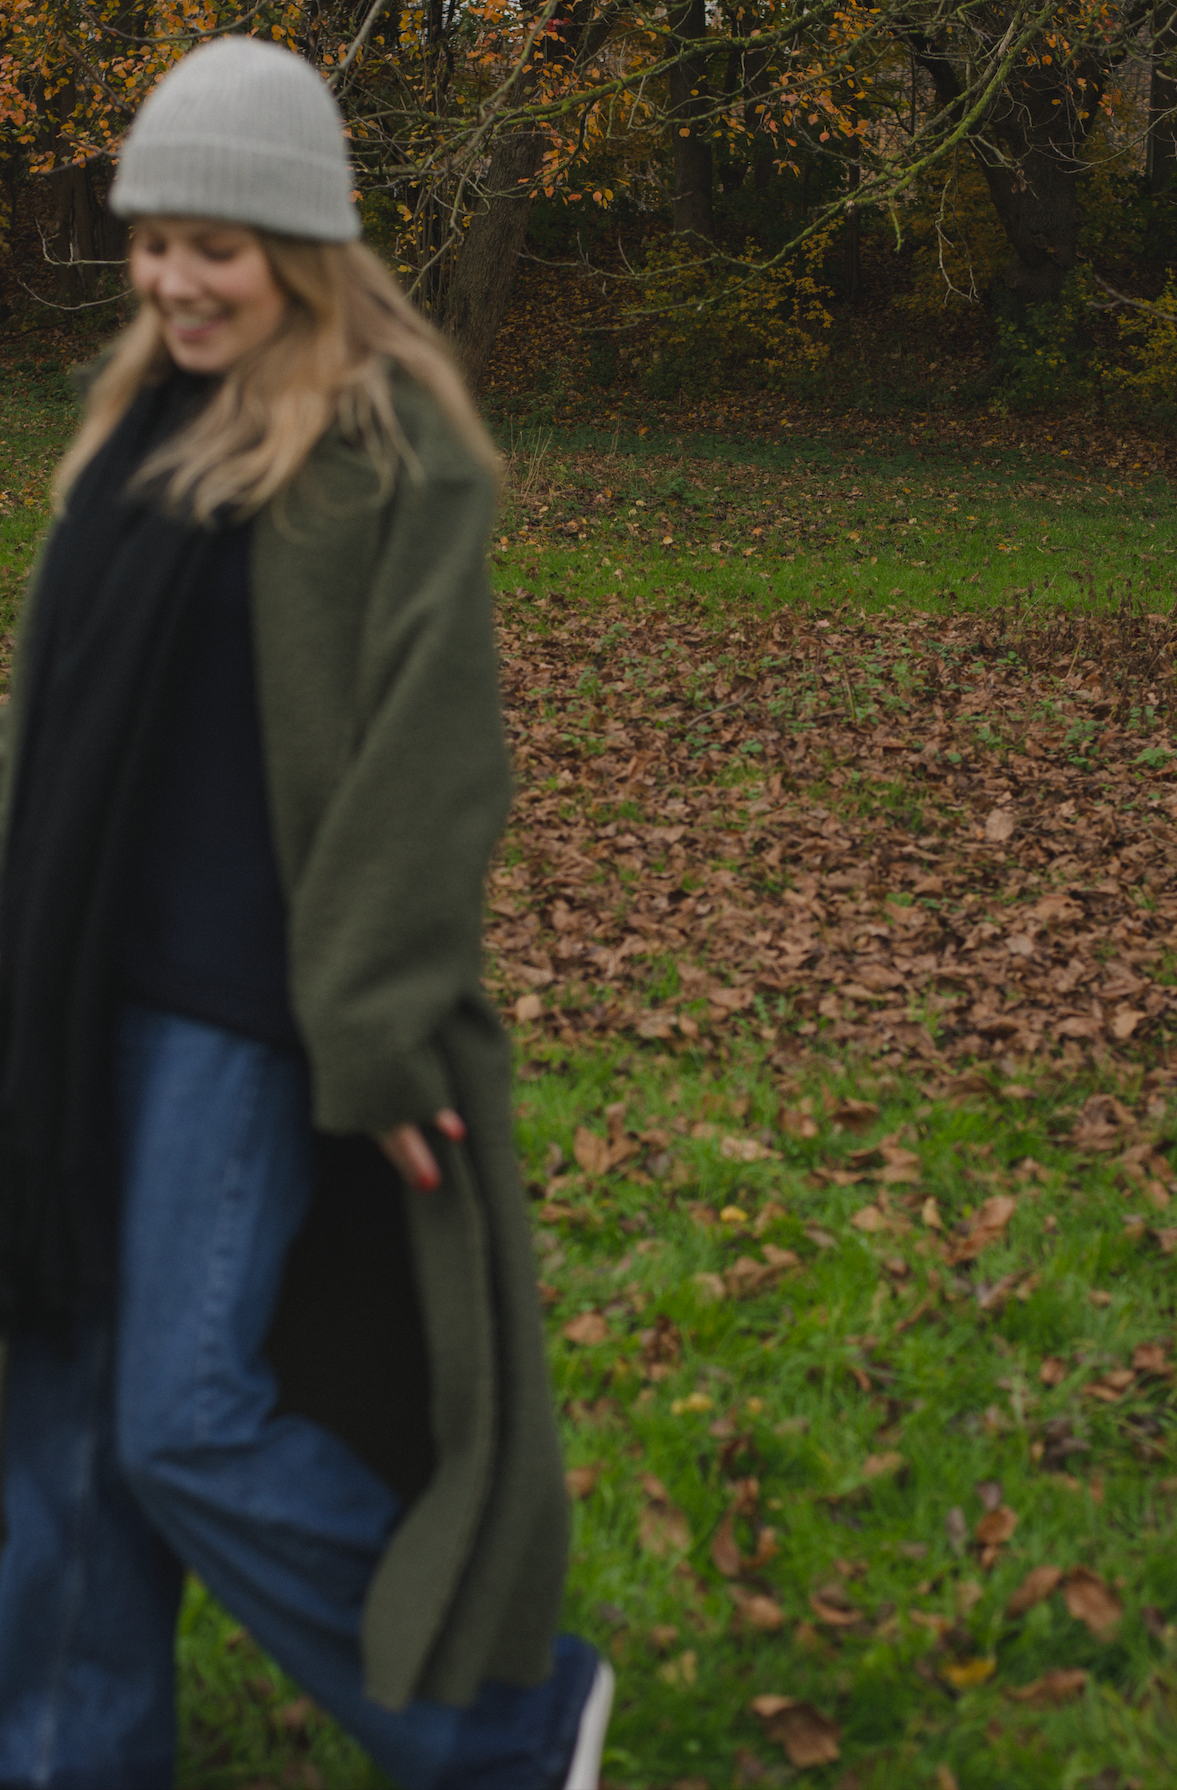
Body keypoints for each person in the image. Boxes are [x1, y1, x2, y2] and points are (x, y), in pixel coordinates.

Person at [0, 35, 613, 1790]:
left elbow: (433, 762)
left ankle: (508, 1721)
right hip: (77, 994)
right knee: (60, 1412)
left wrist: (382, 1015)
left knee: (185, 1414)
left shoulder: (387, 450)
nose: (172, 278)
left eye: (213, 244)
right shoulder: (134, 422)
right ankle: (60, 1752)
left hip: (244, 1008)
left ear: (299, 244)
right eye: (152, 240)